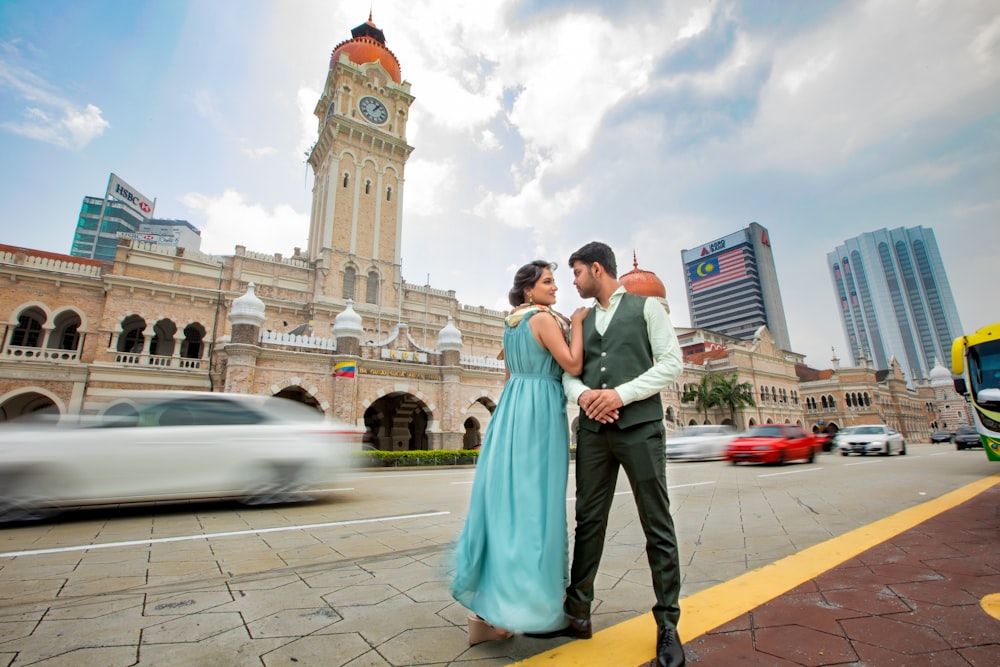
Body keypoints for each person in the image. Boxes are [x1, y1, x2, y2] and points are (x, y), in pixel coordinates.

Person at [561, 242, 686, 667]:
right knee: (588, 519)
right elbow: (569, 375)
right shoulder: (582, 319)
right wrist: (587, 398)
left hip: (641, 429)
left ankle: (667, 623)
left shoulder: (646, 309)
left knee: (657, 521)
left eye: (577, 272)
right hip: (595, 433)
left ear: (597, 269)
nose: (573, 281)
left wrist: (619, 394)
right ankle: (577, 612)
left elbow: (671, 364)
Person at [451, 260, 589, 645]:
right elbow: (573, 363)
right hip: (540, 411)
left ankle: (489, 610)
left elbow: (509, 376)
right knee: (537, 506)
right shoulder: (543, 319)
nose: (556, 288)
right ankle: (517, 607)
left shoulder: (509, 323)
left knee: (509, 505)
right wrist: (576, 323)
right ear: (529, 288)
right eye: (548, 282)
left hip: (512, 411)